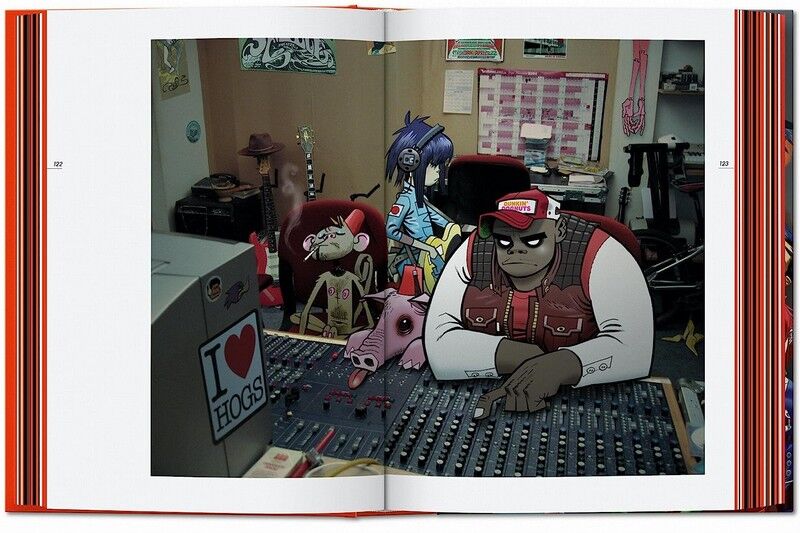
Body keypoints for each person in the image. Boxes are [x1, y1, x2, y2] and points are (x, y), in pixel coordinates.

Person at [423, 188, 654, 419]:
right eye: (503, 240)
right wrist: (524, 357)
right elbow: (437, 342)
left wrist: (561, 366)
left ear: (559, 230)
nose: (515, 249)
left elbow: (636, 348)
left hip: (586, 398)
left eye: (532, 240)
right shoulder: (472, 251)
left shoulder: (602, 253)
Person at [384, 111, 457, 282]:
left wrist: (452, 228)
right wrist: (425, 247)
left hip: (427, 257)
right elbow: (390, 230)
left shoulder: (420, 199)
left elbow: (438, 218)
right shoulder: (404, 201)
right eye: (434, 165)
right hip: (413, 262)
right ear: (410, 162)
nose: (439, 171)